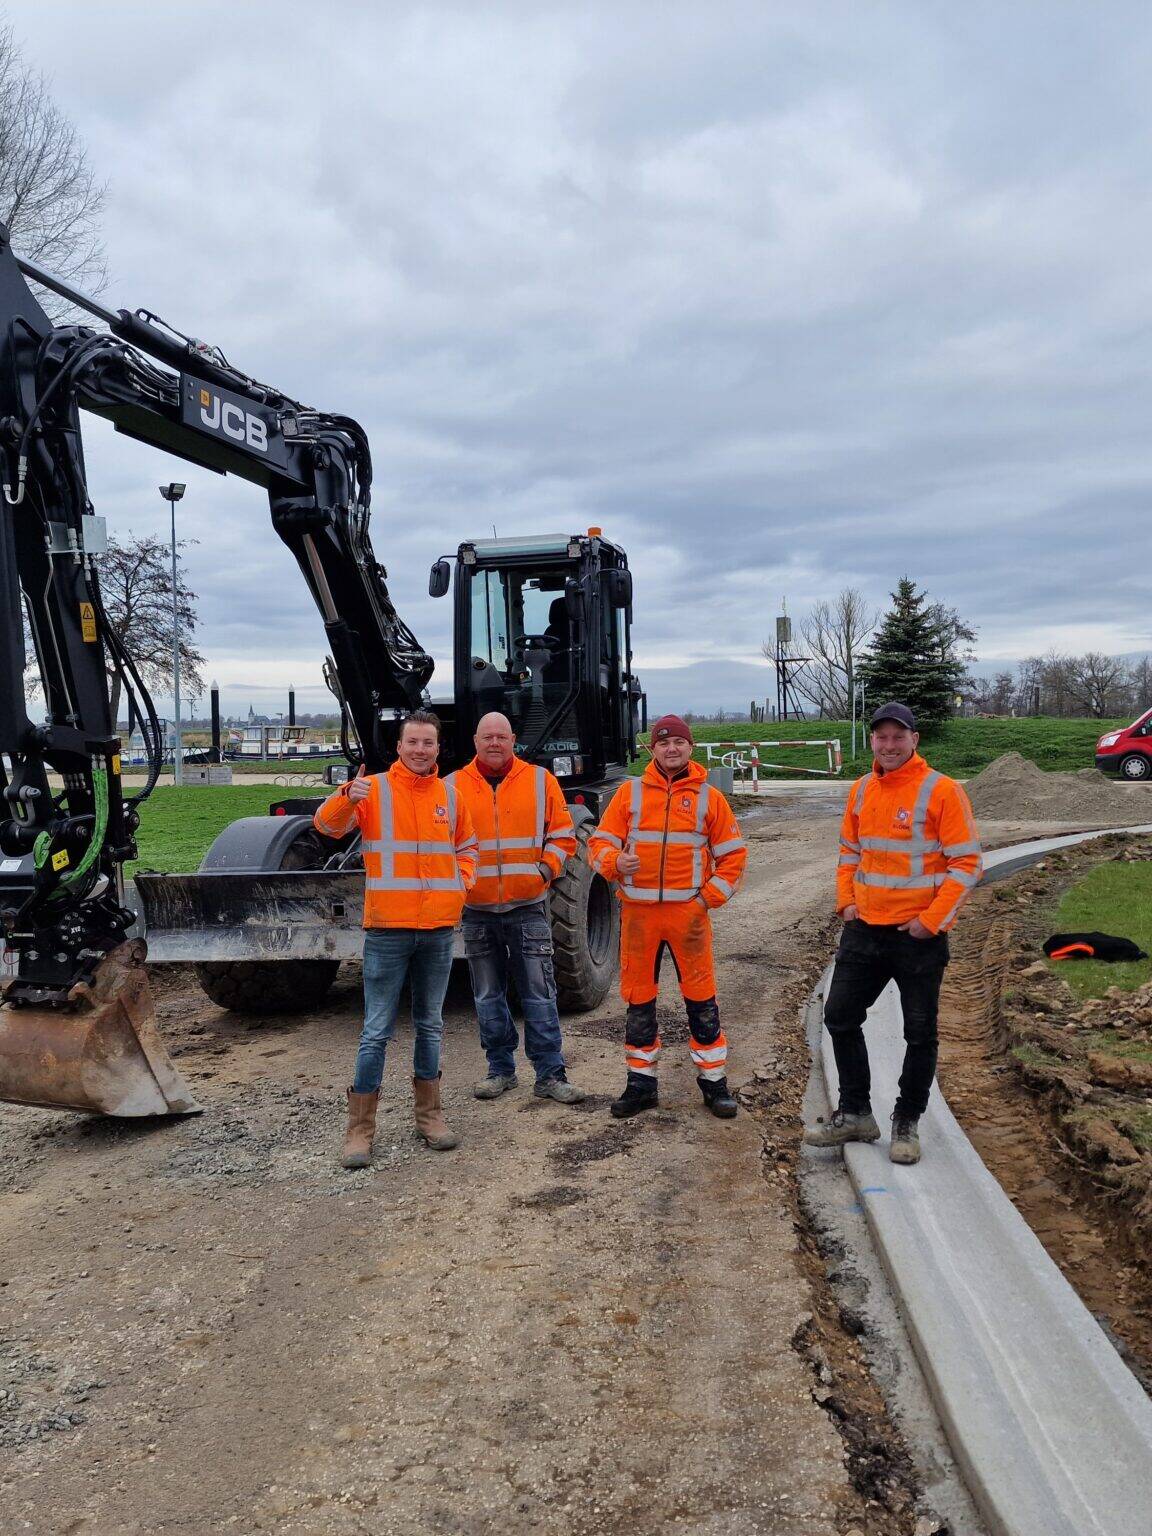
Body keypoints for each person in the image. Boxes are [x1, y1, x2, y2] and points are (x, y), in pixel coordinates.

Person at [804, 701, 982, 1165]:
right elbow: (848, 850)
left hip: (917, 937)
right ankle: (857, 1112)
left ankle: (907, 1120)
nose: (888, 745)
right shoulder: (862, 789)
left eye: (897, 736)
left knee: (919, 1032)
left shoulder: (941, 791)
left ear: (914, 740)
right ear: (873, 742)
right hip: (864, 930)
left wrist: (931, 920)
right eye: (880, 737)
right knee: (840, 1016)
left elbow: (966, 863)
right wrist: (846, 903)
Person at [314, 711, 478, 1167]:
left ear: (438, 748)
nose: (421, 750)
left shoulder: (450, 795)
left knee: (430, 1026)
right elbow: (327, 827)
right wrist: (347, 794)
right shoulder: (375, 789)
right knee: (376, 1031)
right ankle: (359, 1131)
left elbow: (468, 846)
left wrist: (461, 885)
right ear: (399, 747)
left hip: (438, 931)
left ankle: (430, 1116)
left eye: (429, 742)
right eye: (413, 742)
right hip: (387, 929)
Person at [589, 714, 747, 1120]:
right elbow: (600, 843)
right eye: (663, 743)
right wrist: (612, 862)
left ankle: (714, 1085)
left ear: (690, 748)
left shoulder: (711, 798)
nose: (671, 748)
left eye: (678, 742)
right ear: (652, 749)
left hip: (688, 917)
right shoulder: (630, 795)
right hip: (640, 917)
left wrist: (706, 900)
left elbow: (733, 857)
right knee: (638, 1002)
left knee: (702, 1001)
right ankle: (641, 1085)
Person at [445, 712, 585, 1104]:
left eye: (501, 737)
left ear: (513, 741)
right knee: (487, 996)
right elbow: (441, 843)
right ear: (475, 741)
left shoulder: (540, 781)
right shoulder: (452, 787)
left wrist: (544, 870)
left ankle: (550, 1075)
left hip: (528, 905)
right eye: (487, 736)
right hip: (477, 909)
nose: (494, 743)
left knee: (539, 993)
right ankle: (500, 1071)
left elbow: (562, 834)